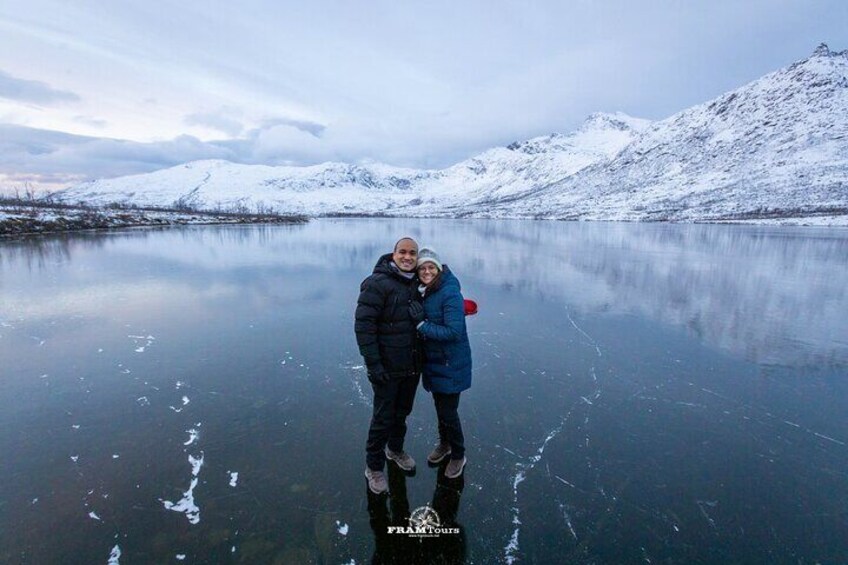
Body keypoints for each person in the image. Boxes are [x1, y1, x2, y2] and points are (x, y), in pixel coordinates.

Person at [355, 237, 422, 495]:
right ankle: (373, 467)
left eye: (412, 253)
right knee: (383, 418)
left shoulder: (417, 282)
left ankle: (395, 450)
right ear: (393, 255)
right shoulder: (376, 284)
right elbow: (364, 327)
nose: (407, 257)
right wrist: (374, 364)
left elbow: (441, 286)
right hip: (386, 367)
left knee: (402, 412)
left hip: (411, 365)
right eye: (402, 252)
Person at [408, 247, 472, 479]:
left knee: (448, 411)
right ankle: (445, 444)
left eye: (431, 267)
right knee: (440, 407)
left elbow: (454, 332)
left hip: (450, 363)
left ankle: (458, 454)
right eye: (422, 268)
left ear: (438, 268)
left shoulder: (449, 292)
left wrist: (421, 325)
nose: (426, 271)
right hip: (435, 362)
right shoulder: (426, 291)